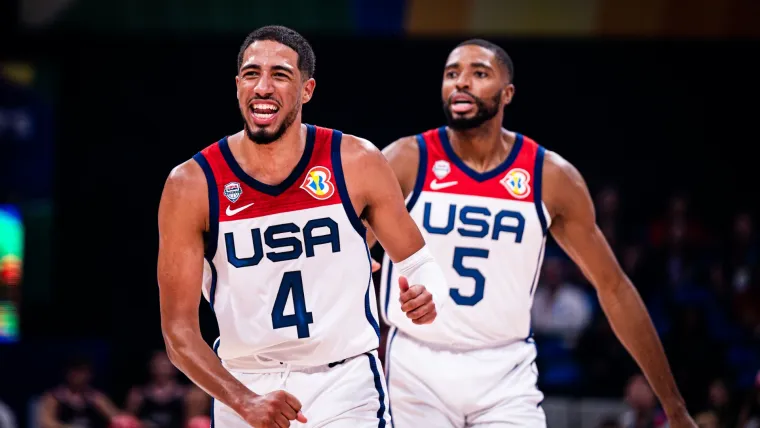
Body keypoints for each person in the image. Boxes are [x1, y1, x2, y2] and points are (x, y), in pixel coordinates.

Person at [367, 39, 697, 427]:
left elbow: (615, 289)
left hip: (505, 369)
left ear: (507, 94)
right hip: (416, 365)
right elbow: (344, 261)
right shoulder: (406, 160)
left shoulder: (550, 177)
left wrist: (675, 408)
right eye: (452, 74)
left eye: (479, 74)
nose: (461, 83)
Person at [156, 25, 447, 428]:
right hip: (245, 382)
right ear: (238, 84)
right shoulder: (191, 184)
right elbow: (178, 333)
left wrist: (427, 297)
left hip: (344, 383)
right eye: (251, 73)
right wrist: (245, 402)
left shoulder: (356, 161)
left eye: (280, 74)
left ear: (307, 90)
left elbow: (419, 264)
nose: (263, 86)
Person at [37, 356, 122, 428]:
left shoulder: (96, 397)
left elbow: (116, 417)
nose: (80, 376)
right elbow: (45, 422)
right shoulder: (54, 397)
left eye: (84, 372)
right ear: (68, 373)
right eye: (77, 371)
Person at [125, 351, 203, 428]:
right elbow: (128, 419)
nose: (162, 367)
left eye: (165, 364)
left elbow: (192, 421)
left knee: (200, 423)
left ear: (175, 367)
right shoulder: (139, 394)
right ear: (151, 367)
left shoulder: (188, 394)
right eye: (158, 364)